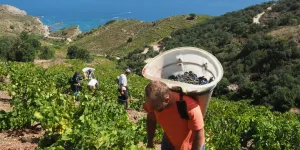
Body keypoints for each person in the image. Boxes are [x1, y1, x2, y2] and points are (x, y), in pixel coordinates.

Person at [144, 81, 205, 150]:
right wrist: (149, 140)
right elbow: (151, 119)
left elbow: (198, 136)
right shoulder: (153, 103)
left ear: (166, 100)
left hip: (190, 146)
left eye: (156, 107)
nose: (153, 110)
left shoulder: (190, 107)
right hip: (168, 142)